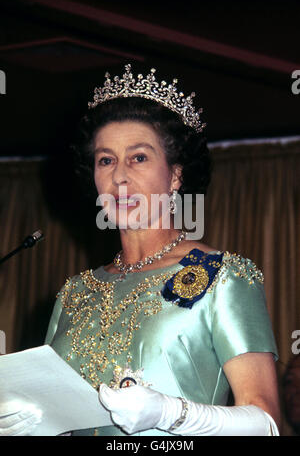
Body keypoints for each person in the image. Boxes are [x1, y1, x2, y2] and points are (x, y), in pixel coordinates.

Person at [0, 64, 280, 436]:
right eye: (106, 160)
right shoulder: (74, 294)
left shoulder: (219, 274)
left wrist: (171, 414)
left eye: (139, 157)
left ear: (176, 175)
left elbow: (267, 422)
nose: (119, 175)